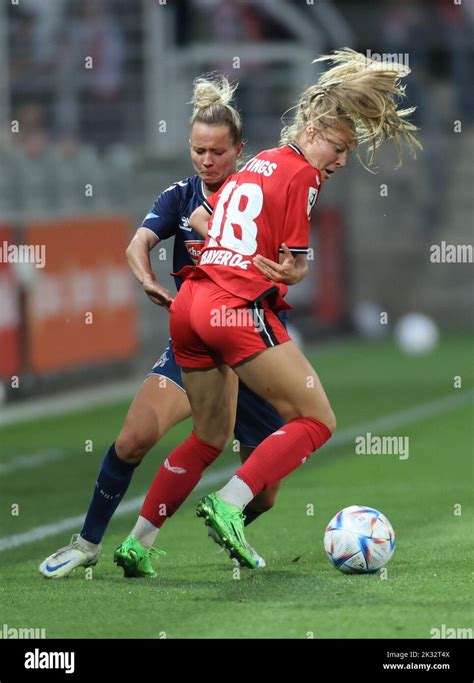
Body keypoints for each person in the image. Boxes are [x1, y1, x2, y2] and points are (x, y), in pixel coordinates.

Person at [140, 48, 422, 569]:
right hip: (236, 308)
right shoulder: (302, 175)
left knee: (206, 436)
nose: (339, 162)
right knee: (317, 419)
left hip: (190, 302)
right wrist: (294, 271)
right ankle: (229, 503)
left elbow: (210, 225)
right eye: (338, 148)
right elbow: (293, 263)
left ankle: (138, 543)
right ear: (313, 129)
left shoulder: (252, 167)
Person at [39, 76, 305, 579]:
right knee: (134, 437)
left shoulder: (261, 195)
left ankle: (211, 523)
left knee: (266, 493)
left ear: (239, 150)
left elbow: (285, 261)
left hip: (253, 342)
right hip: (200, 339)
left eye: (218, 151)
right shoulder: (179, 196)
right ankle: (89, 541)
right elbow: (137, 243)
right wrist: (146, 279)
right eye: (198, 150)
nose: (207, 160)